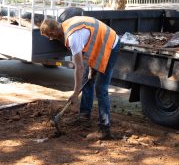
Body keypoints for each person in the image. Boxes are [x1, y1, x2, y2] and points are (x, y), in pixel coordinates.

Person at [40, 8, 121, 140]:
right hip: (100, 45)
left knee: (101, 89)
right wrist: (92, 69)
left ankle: (104, 130)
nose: (50, 39)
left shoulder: (72, 37)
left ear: (54, 31)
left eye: (49, 35)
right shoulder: (65, 25)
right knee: (87, 79)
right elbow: (89, 46)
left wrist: (75, 93)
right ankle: (84, 116)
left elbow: (78, 67)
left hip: (110, 45)